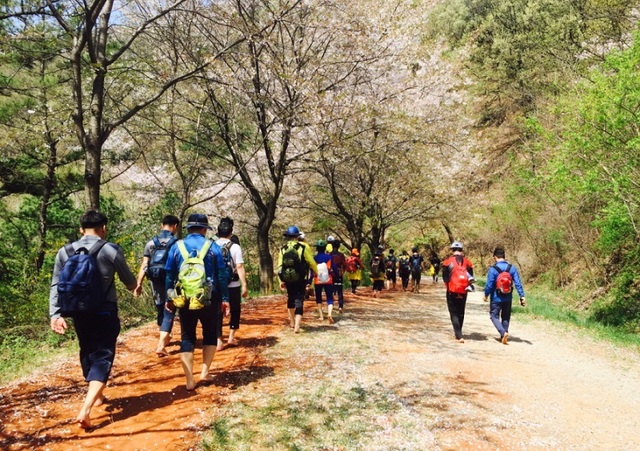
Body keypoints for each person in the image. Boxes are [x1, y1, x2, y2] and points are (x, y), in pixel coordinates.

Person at [49, 209, 137, 429]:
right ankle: (86, 408)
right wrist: (133, 285)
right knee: (104, 355)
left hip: (77, 312)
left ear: (81, 229)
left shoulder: (64, 252)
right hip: (104, 311)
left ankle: (97, 396)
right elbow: (130, 282)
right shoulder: (110, 250)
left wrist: (55, 314)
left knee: (87, 350)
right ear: (104, 228)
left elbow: (55, 285)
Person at [164, 213, 229, 390]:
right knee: (209, 333)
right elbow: (222, 275)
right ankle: (204, 372)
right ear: (204, 229)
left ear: (188, 228)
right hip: (209, 297)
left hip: (184, 297)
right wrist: (225, 298)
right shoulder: (213, 247)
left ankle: (189, 380)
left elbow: (169, 274)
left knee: (187, 336)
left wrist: (169, 297)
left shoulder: (177, 247)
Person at [134, 215, 180, 357]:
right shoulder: (177, 243)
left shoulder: (151, 243)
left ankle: (164, 336)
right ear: (175, 226)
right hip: (171, 279)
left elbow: (145, 264)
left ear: (162, 225)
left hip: (155, 278)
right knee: (170, 308)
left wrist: (139, 284)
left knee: (160, 306)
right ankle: (161, 343)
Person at [215, 217, 248, 349]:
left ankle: (218, 341)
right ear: (231, 232)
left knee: (217, 312)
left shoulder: (211, 245)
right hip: (233, 284)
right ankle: (231, 337)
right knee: (235, 310)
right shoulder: (235, 247)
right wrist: (244, 284)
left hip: (217, 285)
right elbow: (239, 266)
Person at [277, 226, 317, 333]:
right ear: (297, 236)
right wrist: (317, 273)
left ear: (288, 237)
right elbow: (311, 262)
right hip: (300, 278)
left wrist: (281, 280)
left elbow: (280, 267)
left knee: (290, 298)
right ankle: (297, 327)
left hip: (287, 278)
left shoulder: (283, 249)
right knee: (299, 299)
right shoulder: (303, 248)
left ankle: (291, 322)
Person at [483, 246, 527, 344]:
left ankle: (503, 332)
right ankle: (504, 333)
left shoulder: (493, 269)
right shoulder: (512, 268)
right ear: (504, 256)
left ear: (495, 257)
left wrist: (486, 295)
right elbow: (518, 283)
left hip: (496, 298)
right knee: (505, 316)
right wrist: (522, 296)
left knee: (494, 316)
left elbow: (489, 284)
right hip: (508, 297)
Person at [441, 241, 474, 343]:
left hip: (452, 290)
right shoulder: (468, 262)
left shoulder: (447, 262)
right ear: (461, 250)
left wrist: (448, 286)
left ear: (452, 250)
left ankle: (459, 335)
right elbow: (471, 277)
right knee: (461, 311)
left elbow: (445, 278)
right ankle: (459, 332)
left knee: (453, 312)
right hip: (463, 290)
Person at [311, 239, 335, 322]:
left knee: (318, 298)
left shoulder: (314, 258)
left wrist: (309, 281)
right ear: (325, 248)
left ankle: (321, 316)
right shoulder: (329, 257)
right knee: (329, 297)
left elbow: (312, 270)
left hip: (318, 280)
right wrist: (338, 276)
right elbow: (334, 268)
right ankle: (329, 314)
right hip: (328, 280)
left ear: (317, 248)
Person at [328, 238, 347, 313]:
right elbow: (345, 265)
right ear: (339, 246)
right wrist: (343, 272)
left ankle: (330, 306)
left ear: (332, 246)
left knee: (330, 290)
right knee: (340, 291)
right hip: (339, 274)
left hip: (331, 275)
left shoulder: (329, 255)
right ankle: (340, 307)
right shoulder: (341, 255)